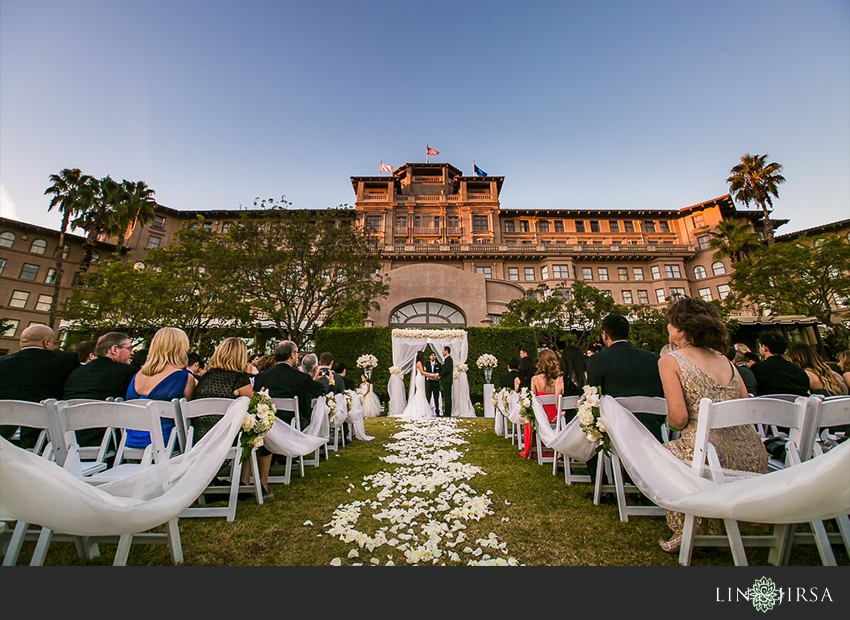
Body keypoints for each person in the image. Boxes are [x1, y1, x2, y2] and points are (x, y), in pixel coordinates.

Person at [658, 297, 767, 554]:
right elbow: (745, 406)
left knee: (662, 456)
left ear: (681, 328)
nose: (668, 328)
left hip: (707, 456)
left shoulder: (670, 360)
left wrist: (669, 420)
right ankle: (714, 527)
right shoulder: (727, 361)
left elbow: (679, 419)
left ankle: (684, 528)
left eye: (670, 323)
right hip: (752, 457)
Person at [584, 313, 664, 492]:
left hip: (618, 431)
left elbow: (593, 396)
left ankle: (602, 485)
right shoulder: (653, 359)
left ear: (604, 335)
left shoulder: (597, 360)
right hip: (652, 431)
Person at [0, 325, 80, 448]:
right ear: (46, 342)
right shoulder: (67, 360)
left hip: (4, 434)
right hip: (45, 436)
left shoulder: (2, 362)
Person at [125, 327, 196, 449]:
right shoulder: (184, 378)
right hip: (166, 442)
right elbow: (190, 415)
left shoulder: (137, 376)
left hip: (131, 440)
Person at [193, 337, 254, 440]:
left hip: (200, 437)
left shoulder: (206, 377)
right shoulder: (240, 379)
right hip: (227, 438)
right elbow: (252, 406)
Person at [63, 332, 137, 401]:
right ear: (114, 349)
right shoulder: (127, 373)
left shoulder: (75, 373)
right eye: (129, 349)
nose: (132, 353)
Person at [521, 349, 563, 459]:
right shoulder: (560, 380)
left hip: (542, 417)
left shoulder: (535, 380)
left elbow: (533, 401)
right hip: (556, 416)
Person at [750, 331, 810, 397]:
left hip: (768, 405)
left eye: (760, 346)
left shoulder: (756, 369)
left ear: (764, 348)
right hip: (796, 405)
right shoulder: (799, 370)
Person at [400, 351, 436, 418]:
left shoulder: (421, 363)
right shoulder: (419, 363)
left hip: (422, 379)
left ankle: (422, 409)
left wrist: (429, 376)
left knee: (422, 392)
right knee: (419, 392)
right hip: (419, 378)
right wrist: (431, 374)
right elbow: (422, 372)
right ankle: (419, 409)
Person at [559, 345, 586, 424]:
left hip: (569, 423)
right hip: (585, 421)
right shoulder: (587, 377)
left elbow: (558, 406)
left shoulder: (560, 380)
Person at [439, 346, 454, 417]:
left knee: (447, 396)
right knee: (446, 396)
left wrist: (439, 374)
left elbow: (447, 370)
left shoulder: (449, 359)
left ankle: (448, 413)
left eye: (443, 351)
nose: (442, 352)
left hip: (447, 381)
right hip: (445, 380)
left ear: (446, 351)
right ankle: (447, 412)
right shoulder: (446, 359)